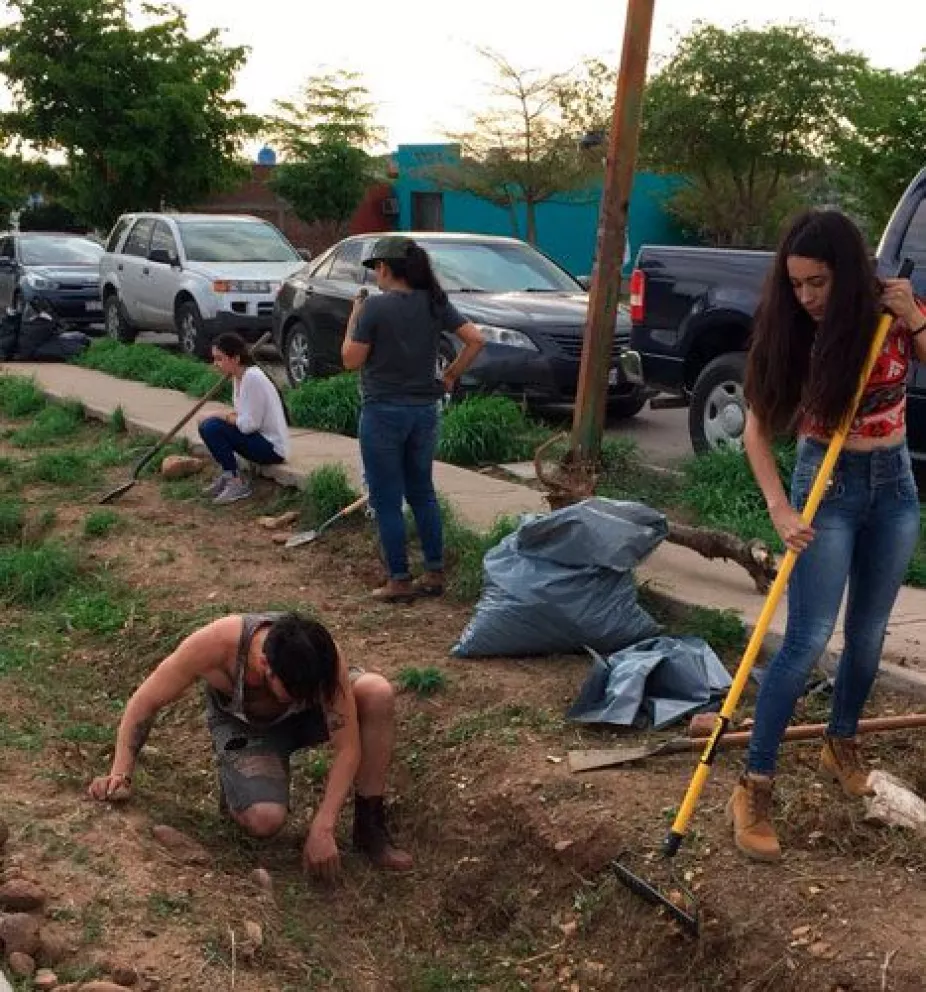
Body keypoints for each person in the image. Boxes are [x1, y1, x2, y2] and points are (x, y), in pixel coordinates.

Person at [729, 209, 926, 862]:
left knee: (868, 636)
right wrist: (780, 509)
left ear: (848, 274)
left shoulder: (888, 313)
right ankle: (754, 782)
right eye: (797, 284)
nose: (807, 297)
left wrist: (914, 320)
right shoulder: (791, 333)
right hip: (828, 488)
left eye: (819, 283)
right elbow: (757, 431)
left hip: (895, 486)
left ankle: (840, 742)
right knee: (809, 638)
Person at [88, 611, 413, 877]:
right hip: (249, 728)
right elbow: (145, 702)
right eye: (298, 692)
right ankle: (240, 789)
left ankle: (370, 828)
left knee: (377, 692)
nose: (309, 698)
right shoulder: (216, 645)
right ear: (265, 667)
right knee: (264, 818)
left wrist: (323, 826)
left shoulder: (322, 659)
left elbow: (347, 747)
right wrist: (121, 774)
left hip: (309, 721)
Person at [342, 236, 485, 603]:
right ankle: (434, 572)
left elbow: (351, 360)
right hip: (424, 412)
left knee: (387, 498)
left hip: (383, 412)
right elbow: (475, 340)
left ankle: (399, 579)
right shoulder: (435, 303)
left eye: (376, 268)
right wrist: (450, 375)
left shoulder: (374, 308)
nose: (375, 274)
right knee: (422, 492)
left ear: (386, 268)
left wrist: (353, 318)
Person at [198, 332, 290, 505]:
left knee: (211, 426)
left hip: (271, 448)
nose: (215, 364)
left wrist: (220, 415)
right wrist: (228, 417)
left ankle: (236, 482)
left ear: (235, 359)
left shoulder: (252, 378)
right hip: (258, 440)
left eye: (219, 359)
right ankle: (228, 475)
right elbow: (242, 415)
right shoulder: (238, 377)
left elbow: (249, 425)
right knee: (209, 425)